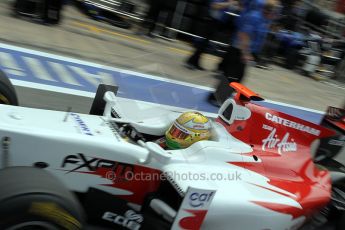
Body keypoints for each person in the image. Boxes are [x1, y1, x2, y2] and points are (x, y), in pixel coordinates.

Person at [210, 0, 279, 105]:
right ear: (268, 11)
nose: (276, 16)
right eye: (275, 13)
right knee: (231, 76)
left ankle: (221, 96)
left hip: (244, 51)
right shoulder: (255, 17)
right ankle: (216, 98)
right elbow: (244, 35)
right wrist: (246, 53)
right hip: (239, 49)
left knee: (238, 77)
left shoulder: (265, 20)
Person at [185, 0, 240, 70]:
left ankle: (195, 61)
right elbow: (214, 6)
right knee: (203, 43)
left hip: (217, 21)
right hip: (211, 20)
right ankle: (191, 61)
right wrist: (229, 3)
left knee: (205, 43)